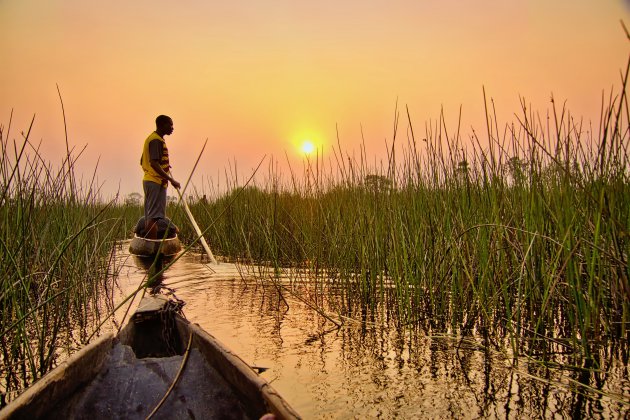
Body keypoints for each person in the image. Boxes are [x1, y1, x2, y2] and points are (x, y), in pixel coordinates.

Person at [140, 115, 181, 239]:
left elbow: (143, 161)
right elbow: (153, 163)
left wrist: (165, 165)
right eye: (170, 125)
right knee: (154, 217)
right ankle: (153, 247)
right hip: (155, 181)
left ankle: (150, 243)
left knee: (152, 216)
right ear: (162, 125)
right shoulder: (155, 140)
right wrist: (171, 180)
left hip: (153, 181)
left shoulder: (154, 139)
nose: (172, 128)